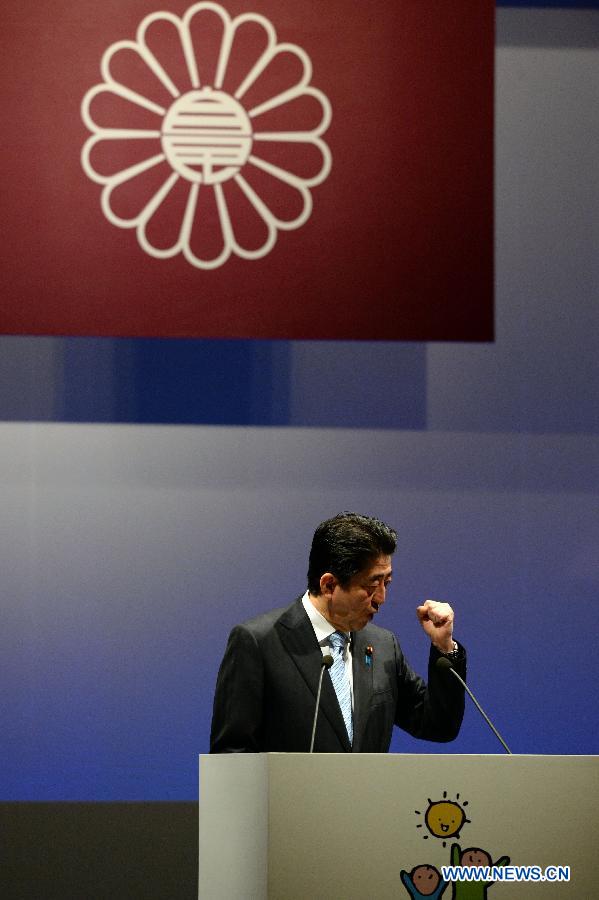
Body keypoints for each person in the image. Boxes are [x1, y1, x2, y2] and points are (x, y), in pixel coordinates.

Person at [210, 512, 466, 753]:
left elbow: (439, 726)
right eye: (372, 585)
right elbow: (232, 755)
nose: (382, 599)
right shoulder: (259, 643)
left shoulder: (383, 646)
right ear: (329, 584)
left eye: (386, 583)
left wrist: (445, 647)